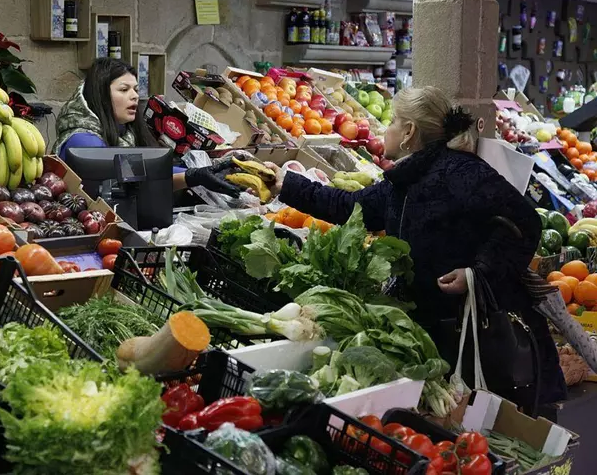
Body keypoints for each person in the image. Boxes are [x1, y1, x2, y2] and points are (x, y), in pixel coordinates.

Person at [271, 86, 566, 410]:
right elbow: (349, 207)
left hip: (482, 336)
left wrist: (478, 272)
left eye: (393, 121)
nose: (387, 129)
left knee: (498, 423)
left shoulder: (462, 172)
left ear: (409, 132)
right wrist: (286, 184)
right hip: (440, 336)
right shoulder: (404, 181)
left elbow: (524, 221)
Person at [53, 57, 243, 197]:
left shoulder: (126, 132)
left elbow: (150, 168)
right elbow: (130, 180)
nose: (134, 96)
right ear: (100, 95)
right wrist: (191, 177)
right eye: (124, 89)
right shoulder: (83, 141)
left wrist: (203, 172)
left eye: (136, 89)